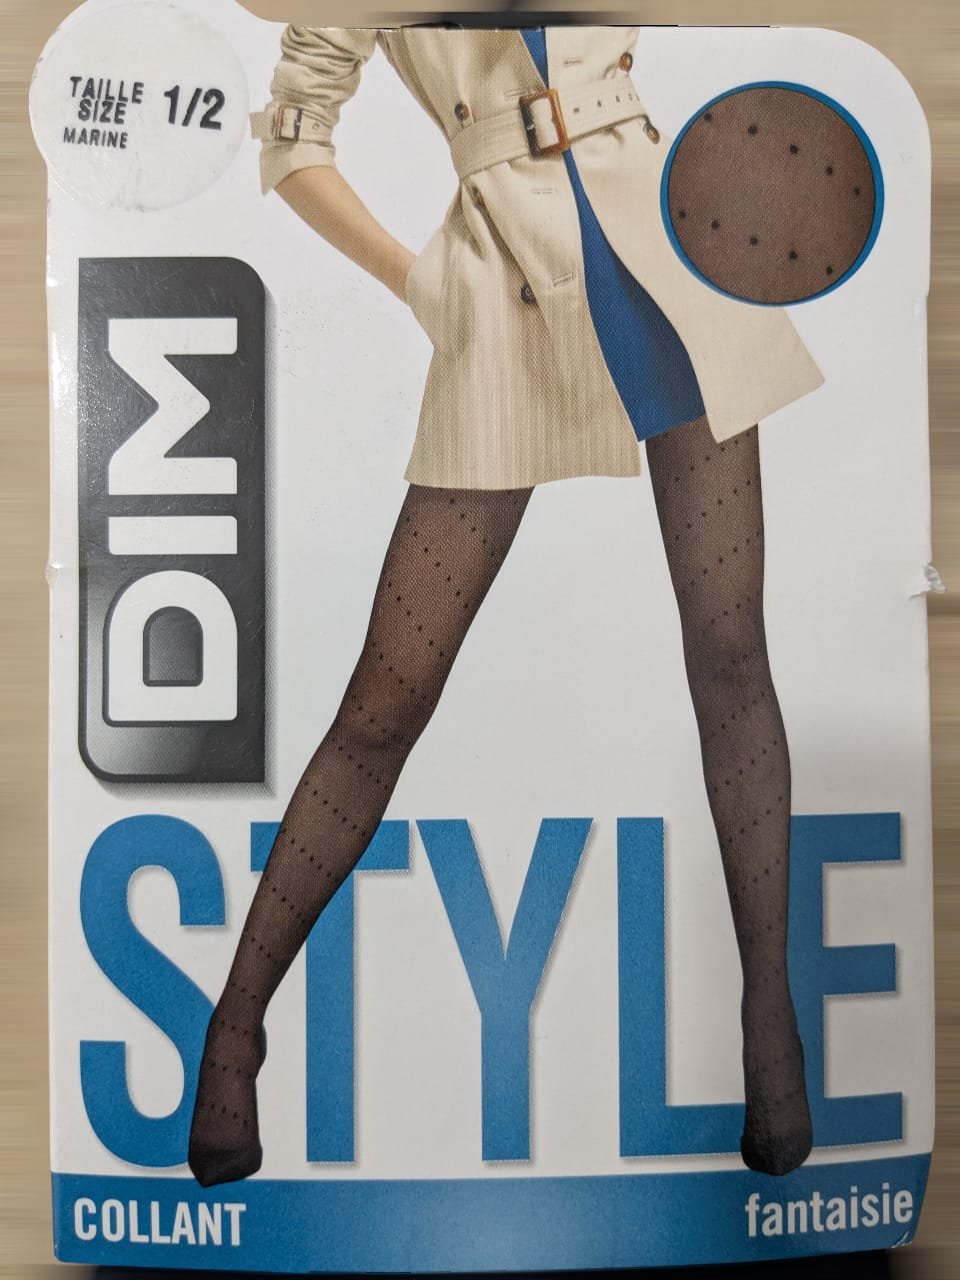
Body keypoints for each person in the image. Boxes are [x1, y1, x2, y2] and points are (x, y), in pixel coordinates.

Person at [187, 24, 823, 1188]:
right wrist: (417, 280)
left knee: (732, 652)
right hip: (503, 288)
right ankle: (236, 1023)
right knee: (386, 697)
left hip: (672, 251)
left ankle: (768, 1015)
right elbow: (292, 137)